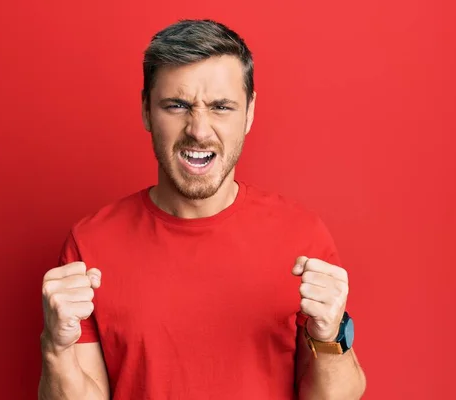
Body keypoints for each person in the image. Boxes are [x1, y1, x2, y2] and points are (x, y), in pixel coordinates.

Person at [38, 19, 366, 400]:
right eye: (177, 105)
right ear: (146, 110)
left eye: (221, 107)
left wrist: (327, 337)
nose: (199, 129)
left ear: (250, 113)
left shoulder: (302, 237)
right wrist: (55, 346)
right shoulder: (90, 244)